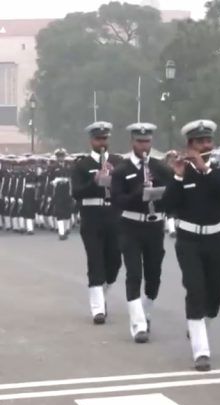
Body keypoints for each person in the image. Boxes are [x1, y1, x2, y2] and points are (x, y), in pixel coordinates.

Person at [162, 119, 220, 372]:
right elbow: (167, 205)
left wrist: (204, 169)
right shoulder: (182, 173)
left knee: (217, 292)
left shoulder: (219, 170)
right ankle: (201, 350)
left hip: (216, 238)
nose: (205, 145)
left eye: (208, 141)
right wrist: (178, 176)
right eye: (200, 142)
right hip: (189, 240)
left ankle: (199, 326)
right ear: (190, 146)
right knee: (195, 290)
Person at [111, 123, 173, 343]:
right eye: (139, 141)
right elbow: (116, 201)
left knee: (154, 276)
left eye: (147, 141)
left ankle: (145, 312)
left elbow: (173, 194)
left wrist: (160, 194)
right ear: (132, 142)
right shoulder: (122, 169)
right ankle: (137, 324)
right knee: (134, 273)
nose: (144, 145)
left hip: (154, 226)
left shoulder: (160, 167)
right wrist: (138, 193)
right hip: (130, 225)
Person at [71, 121, 123, 325]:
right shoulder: (82, 165)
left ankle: (102, 293)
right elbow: (76, 192)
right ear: (91, 140)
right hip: (91, 217)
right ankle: (97, 308)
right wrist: (95, 181)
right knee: (95, 261)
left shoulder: (118, 162)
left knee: (114, 263)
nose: (102, 142)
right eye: (98, 139)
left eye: (105, 138)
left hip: (113, 215)